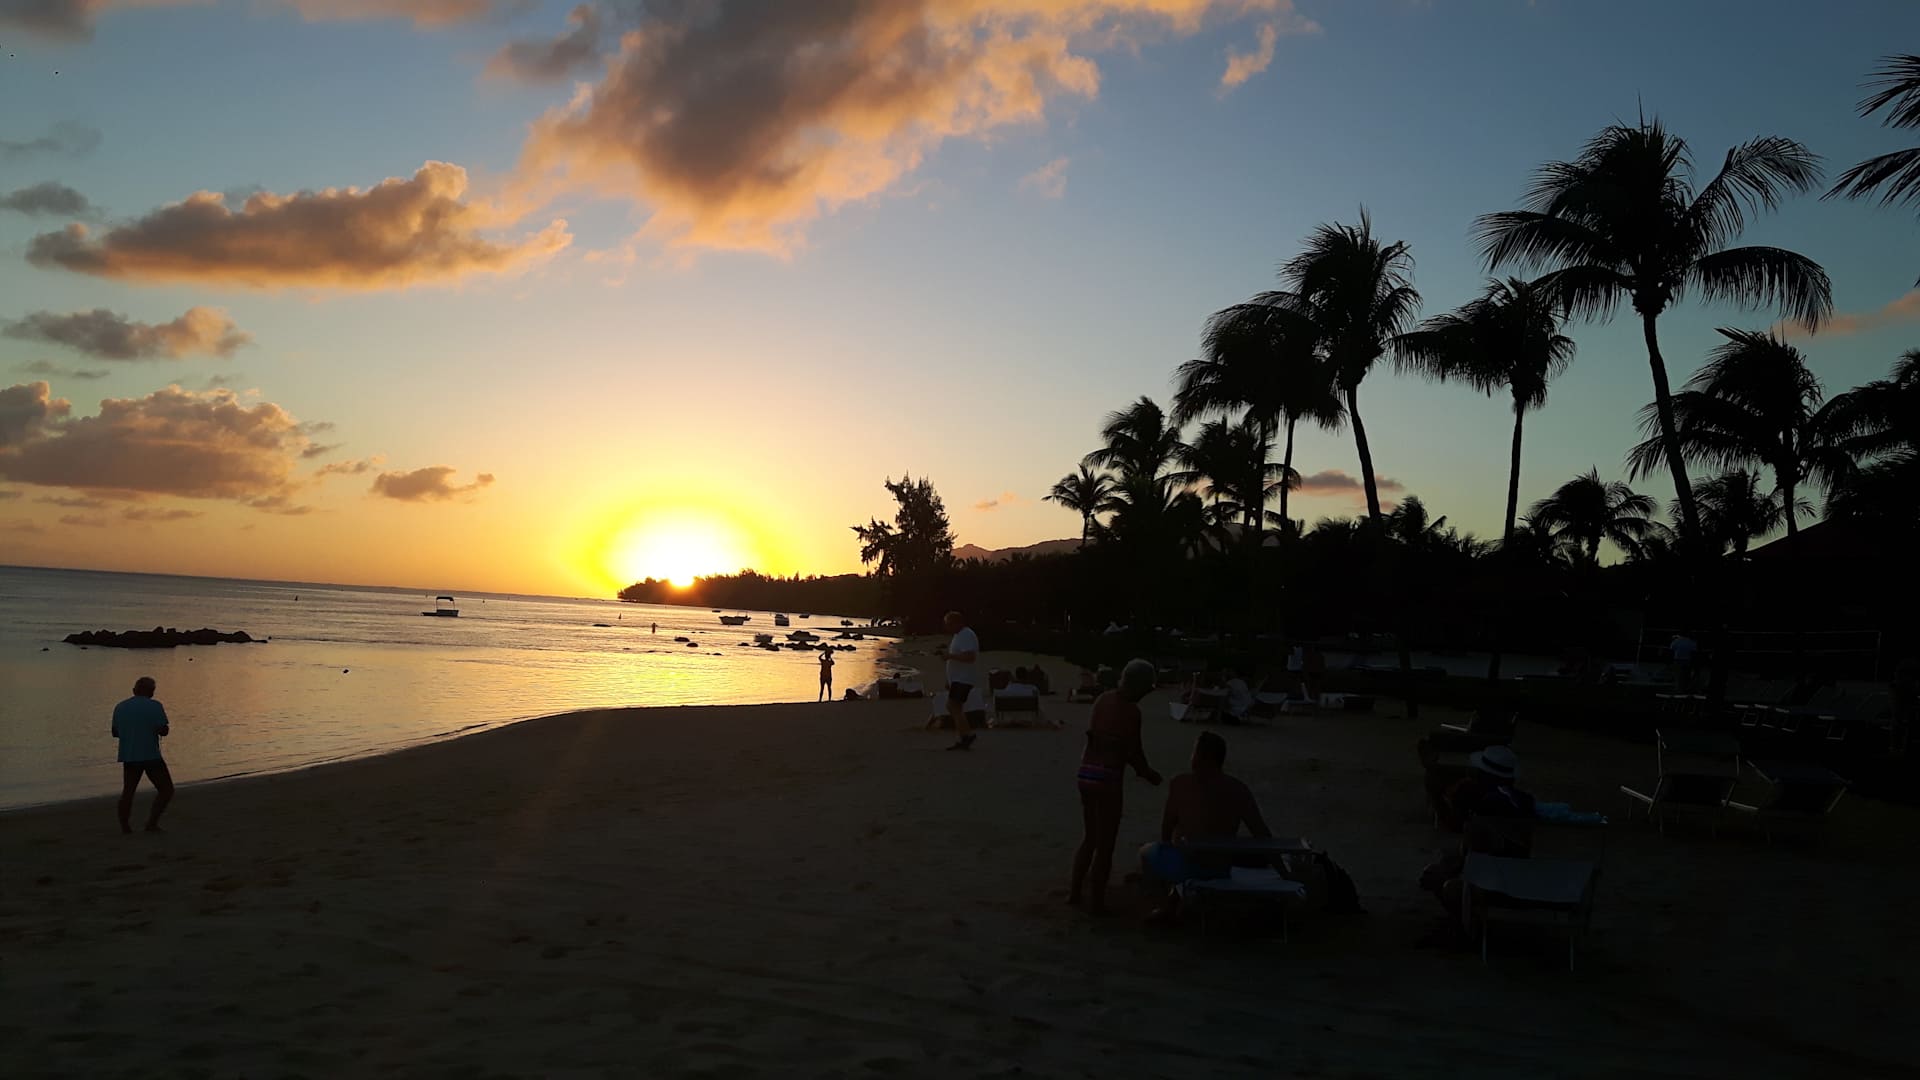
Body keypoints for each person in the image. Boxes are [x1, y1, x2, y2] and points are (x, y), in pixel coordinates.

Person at [1137, 732, 1272, 915]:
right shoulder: (1238, 789)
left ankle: (1165, 905)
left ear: (1200, 757)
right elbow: (1261, 833)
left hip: (1186, 866)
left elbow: (1167, 826)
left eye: (1194, 752)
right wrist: (1282, 871)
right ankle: (1173, 898)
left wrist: (1170, 844)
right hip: (1220, 868)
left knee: (1146, 852)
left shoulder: (1181, 784)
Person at [1068, 658, 1162, 915]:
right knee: (1106, 844)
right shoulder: (1132, 712)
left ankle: (1074, 892)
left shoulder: (1102, 699)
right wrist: (1147, 773)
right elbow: (1133, 751)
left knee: (1090, 837)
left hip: (1086, 772)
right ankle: (1097, 902)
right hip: (1108, 778)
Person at [1421, 746, 1535, 922]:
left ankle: (1467, 927)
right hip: (1520, 878)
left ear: (1485, 775)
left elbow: (1475, 853)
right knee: (1444, 867)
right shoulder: (1524, 801)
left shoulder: (1489, 803)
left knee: (1438, 879)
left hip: (1498, 883)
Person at [112, 676, 174, 834]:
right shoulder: (155, 706)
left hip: (130, 755)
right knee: (166, 790)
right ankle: (151, 823)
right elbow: (164, 730)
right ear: (151, 692)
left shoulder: (120, 707)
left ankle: (125, 827)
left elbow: (115, 732)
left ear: (135, 690)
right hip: (151, 755)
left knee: (128, 792)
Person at [942, 610, 980, 751]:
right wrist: (949, 680)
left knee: (953, 706)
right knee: (954, 707)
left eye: (949, 624)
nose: (947, 627)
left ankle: (966, 736)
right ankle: (964, 736)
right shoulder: (959, 635)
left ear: (957, 623)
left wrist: (949, 656)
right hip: (958, 679)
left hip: (963, 678)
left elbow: (970, 657)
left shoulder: (966, 635)